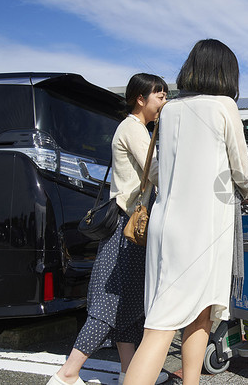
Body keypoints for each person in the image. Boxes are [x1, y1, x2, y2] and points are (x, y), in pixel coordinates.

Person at [123, 39, 248, 385]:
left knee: (199, 314)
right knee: (163, 326)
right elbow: (242, 170)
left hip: (166, 223)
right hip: (203, 229)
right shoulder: (224, 106)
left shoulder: (170, 110)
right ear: (226, 73)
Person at [47, 73, 169, 385]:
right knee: (107, 305)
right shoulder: (133, 128)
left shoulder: (140, 129)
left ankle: (130, 375)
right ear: (141, 99)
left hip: (133, 231)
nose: (164, 101)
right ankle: (67, 374)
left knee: (129, 308)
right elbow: (155, 170)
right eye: (160, 95)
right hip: (126, 230)